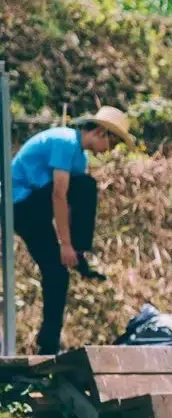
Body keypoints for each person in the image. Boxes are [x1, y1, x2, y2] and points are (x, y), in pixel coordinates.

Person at [11, 106, 133, 354]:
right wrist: (65, 244)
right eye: (113, 142)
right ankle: (79, 251)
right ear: (101, 132)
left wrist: (67, 245)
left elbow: (68, 204)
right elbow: (58, 194)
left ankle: (48, 345)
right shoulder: (65, 141)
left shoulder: (80, 157)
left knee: (57, 273)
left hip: (37, 207)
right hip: (19, 203)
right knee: (86, 186)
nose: (111, 150)